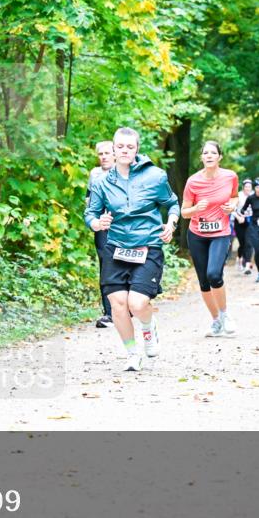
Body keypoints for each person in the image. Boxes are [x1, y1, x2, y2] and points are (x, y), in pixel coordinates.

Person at [85, 127, 180, 372]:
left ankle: (148, 327)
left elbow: (172, 204)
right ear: (113, 149)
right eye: (120, 147)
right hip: (116, 247)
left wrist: (170, 224)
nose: (125, 150)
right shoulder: (102, 182)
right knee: (118, 303)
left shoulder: (155, 176)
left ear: (137, 149)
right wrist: (97, 223)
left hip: (148, 245)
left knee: (137, 304)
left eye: (130, 146)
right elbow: (90, 214)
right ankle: (132, 354)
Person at [180, 141, 239, 337]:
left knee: (214, 274)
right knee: (204, 281)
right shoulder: (193, 181)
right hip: (197, 234)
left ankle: (224, 314)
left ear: (219, 156)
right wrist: (196, 208)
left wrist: (232, 206)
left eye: (213, 152)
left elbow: (234, 196)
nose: (209, 155)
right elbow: (184, 212)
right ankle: (216, 321)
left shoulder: (230, 176)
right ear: (202, 157)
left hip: (220, 233)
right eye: (205, 153)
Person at [87, 140, 114, 327]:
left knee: (125, 264)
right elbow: (88, 199)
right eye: (100, 154)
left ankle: (127, 305)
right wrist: (94, 219)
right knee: (106, 266)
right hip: (102, 227)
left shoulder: (124, 172)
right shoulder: (95, 174)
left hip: (123, 227)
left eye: (107, 153)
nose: (103, 157)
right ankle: (109, 313)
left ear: (115, 155)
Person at [233, 178, 254, 274]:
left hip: (251, 221)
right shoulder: (238, 196)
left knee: (249, 243)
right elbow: (232, 209)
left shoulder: (254, 195)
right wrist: (238, 217)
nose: (248, 188)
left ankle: (247, 266)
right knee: (242, 244)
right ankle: (239, 258)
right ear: (243, 187)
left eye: (249, 187)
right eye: (246, 186)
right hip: (240, 221)